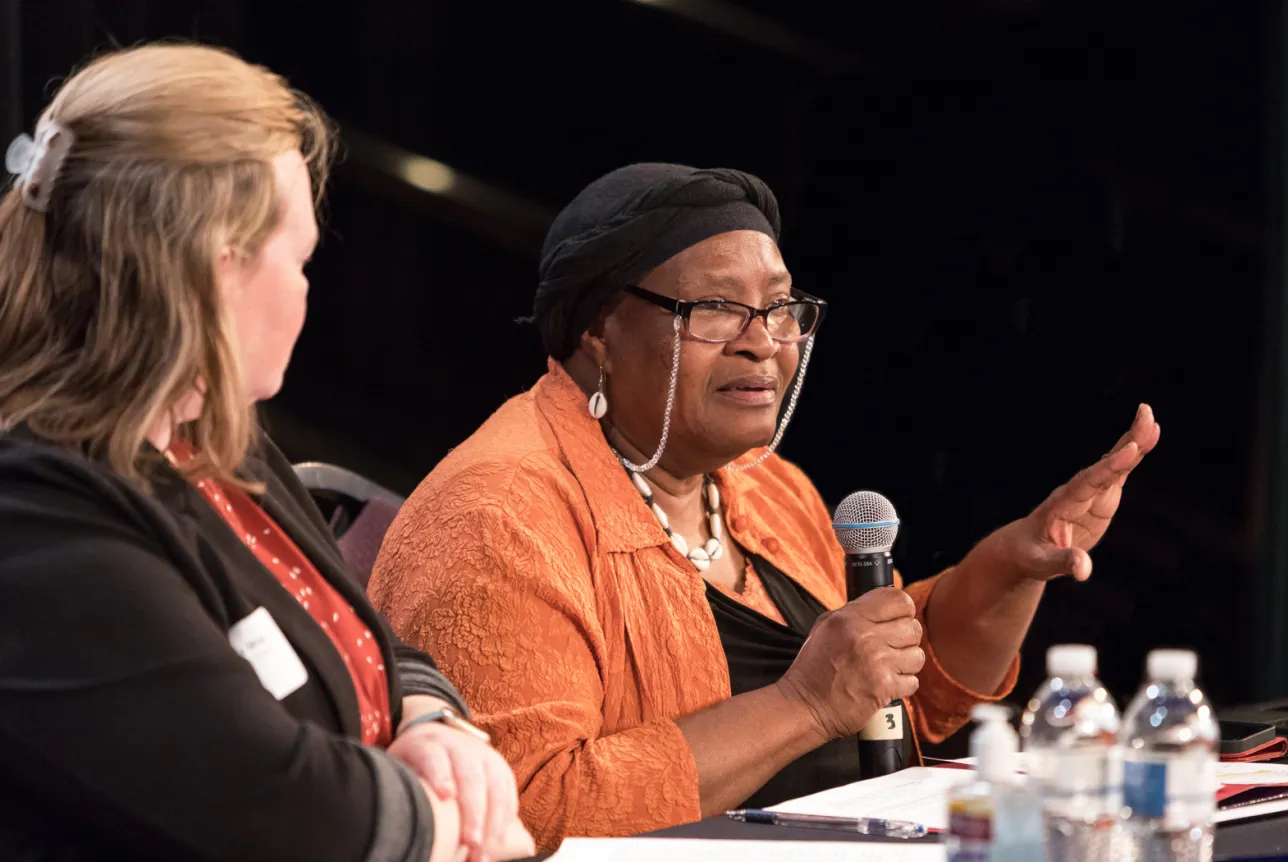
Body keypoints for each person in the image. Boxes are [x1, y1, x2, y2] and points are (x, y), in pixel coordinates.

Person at [368, 163, 1160, 850]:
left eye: (781, 309)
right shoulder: (498, 517)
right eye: (716, 308)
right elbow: (523, 813)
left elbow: (899, 704)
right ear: (599, 330)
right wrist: (803, 705)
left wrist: (1013, 567)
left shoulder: (760, 483)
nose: (764, 341)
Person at [0, 44, 532, 862]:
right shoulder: (36, 525)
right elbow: (296, 816)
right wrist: (455, 816)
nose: (307, 290)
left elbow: (374, 646)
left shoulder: (211, 442)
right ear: (217, 274)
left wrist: (433, 724)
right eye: (301, 259)